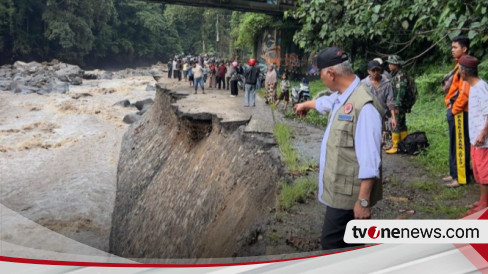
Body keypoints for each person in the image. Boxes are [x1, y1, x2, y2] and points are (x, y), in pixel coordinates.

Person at [294, 47, 384, 250]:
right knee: (348, 248)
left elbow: (370, 159)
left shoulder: (364, 107)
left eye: (321, 75)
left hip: (348, 198)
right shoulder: (344, 95)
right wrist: (305, 105)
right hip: (341, 192)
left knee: (332, 245)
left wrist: (363, 201)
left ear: (331, 74)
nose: (321, 79)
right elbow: (327, 103)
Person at [459, 55, 488, 206]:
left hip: (483, 139)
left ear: (464, 72)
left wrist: (483, 133)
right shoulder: (473, 86)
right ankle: (483, 201)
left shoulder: (481, 87)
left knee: (484, 171)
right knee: (477, 169)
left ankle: (484, 204)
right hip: (475, 137)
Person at [443, 36, 472, 188]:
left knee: (460, 144)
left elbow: (464, 92)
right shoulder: (459, 64)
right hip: (455, 109)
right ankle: (454, 173)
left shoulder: (466, 65)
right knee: (454, 143)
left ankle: (461, 177)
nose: (452, 50)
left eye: (455, 47)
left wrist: (454, 109)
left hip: (461, 111)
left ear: (464, 49)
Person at [361, 60, 397, 149]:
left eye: (378, 70)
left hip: (383, 114)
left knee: (382, 140)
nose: (376, 72)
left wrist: (393, 118)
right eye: (373, 71)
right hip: (368, 114)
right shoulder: (363, 84)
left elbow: (390, 101)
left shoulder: (387, 83)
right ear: (368, 71)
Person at [385, 55, 409, 154]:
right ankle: (404, 145)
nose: (389, 66)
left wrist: (396, 106)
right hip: (400, 104)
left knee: (396, 124)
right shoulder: (397, 74)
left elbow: (400, 92)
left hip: (399, 105)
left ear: (396, 65)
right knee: (402, 124)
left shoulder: (400, 76)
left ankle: (396, 146)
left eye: (391, 64)